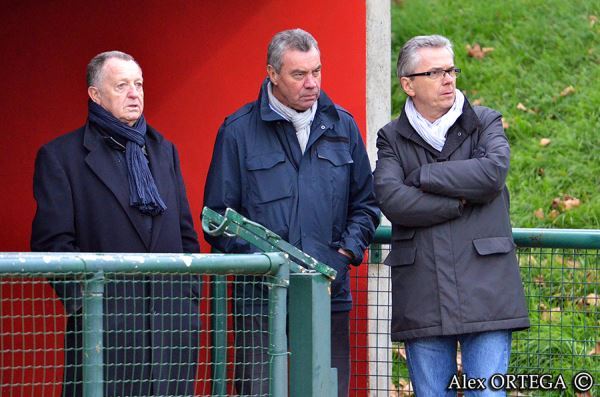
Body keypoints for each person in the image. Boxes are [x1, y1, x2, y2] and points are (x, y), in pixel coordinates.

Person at [203, 28, 379, 396]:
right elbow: (217, 219)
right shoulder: (237, 131)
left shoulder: (342, 127)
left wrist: (343, 256)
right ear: (272, 74)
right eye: (299, 74)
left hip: (327, 294)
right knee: (259, 390)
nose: (312, 83)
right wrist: (267, 264)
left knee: (325, 390)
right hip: (260, 298)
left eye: (317, 71)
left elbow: (366, 205)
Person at [31, 51, 201, 397]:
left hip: (172, 328)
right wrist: (86, 305)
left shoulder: (164, 149)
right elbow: (52, 241)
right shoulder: (61, 157)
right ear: (95, 95)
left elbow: (186, 233)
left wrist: (189, 297)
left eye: (138, 84)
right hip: (105, 328)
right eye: (122, 85)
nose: (135, 93)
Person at [374, 34, 530, 396]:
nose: (448, 79)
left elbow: (491, 174)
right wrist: (457, 203)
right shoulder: (390, 138)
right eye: (436, 72)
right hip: (422, 292)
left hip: (487, 287)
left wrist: (424, 176)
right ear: (408, 84)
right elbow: (393, 199)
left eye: (451, 69)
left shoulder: (486, 122)